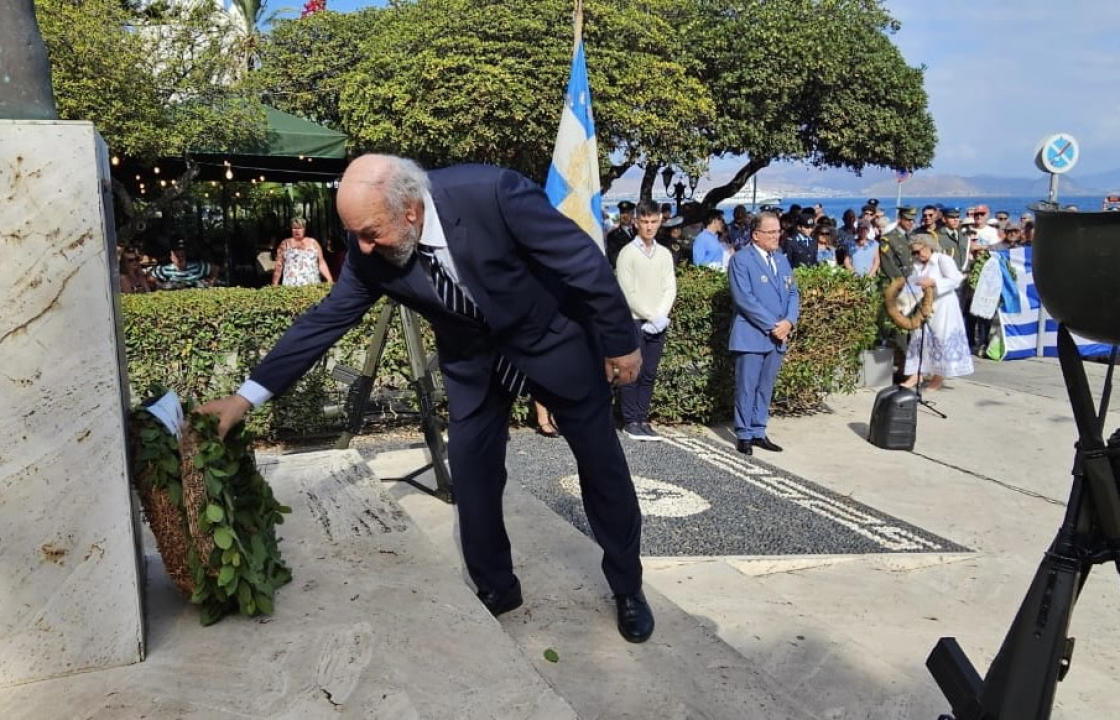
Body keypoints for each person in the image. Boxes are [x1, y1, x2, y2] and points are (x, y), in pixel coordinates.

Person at [198, 154, 655, 643]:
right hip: (473, 363)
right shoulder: (369, 249)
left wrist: (619, 341)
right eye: (358, 235)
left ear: (410, 211)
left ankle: (628, 587)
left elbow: (580, 261)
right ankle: (497, 586)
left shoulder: (493, 193)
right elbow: (325, 320)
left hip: (551, 342)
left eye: (372, 233)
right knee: (472, 471)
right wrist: (245, 398)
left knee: (601, 468)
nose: (365, 249)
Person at [728, 212, 800, 456]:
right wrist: (773, 325)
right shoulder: (741, 260)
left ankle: (759, 430)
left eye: (778, 231)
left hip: (777, 336)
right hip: (752, 335)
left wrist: (789, 321)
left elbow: (793, 292)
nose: (776, 236)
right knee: (746, 387)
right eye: (770, 232)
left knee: (765, 386)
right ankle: (744, 434)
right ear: (756, 235)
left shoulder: (781, 259)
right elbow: (744, 299)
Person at [615, 200, 677, 441]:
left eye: (653, 221)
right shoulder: (627, 253)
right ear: (637, 222)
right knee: (632, 373)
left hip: (658, 321)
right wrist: (650, 316)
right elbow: (627, 291)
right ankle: (630, 420)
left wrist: (661, 315)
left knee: (650, 372)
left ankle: (642, 417)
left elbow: (669, 286)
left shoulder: (663, 253)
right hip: (635, 321)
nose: (649, 226)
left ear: (660, 221)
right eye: (645, 222)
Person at [900, 234, 973, 390]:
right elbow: (913, 284)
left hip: (944, 305)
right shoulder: (918, 265)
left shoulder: (942, 259)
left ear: (928, 247)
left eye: (919, 251)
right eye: (914, 253)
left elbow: (956, 279)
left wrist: (934, 282)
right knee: (919, 338)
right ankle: (916, 374)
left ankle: (938, 377)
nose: (917, 255)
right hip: (924, 306)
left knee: (941, 338)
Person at [271, 218, 334, 286]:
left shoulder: (314, 243)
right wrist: (275, 283)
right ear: (291, 229)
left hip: (313, 285)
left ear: (305, 229)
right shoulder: (285, 244)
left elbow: (321, 263)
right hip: (291, 286)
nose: (297, 231)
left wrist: (329, 279)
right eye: (294, 228)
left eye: (300, 228)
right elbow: (279, 265)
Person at [150, 240, 218, 290]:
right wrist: (161, 285)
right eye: (177, 256)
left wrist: (210, 282)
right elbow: (150, 276)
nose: (180, 258)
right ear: (171, 258)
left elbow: (215, 268)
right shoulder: (165, 269)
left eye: (182, 255)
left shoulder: (197, 267)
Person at [878, 206, 916, 280]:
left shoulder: (909, 237)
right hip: (895, 282)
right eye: (908, 219)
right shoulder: (888, 239)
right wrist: (900, 280)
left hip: (909, 280)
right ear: (899, 219)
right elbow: (888, 265)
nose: (911, 222)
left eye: (912, 220)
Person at [605, 201, 636, 267]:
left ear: (633, 214)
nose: (625, 216)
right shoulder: (612, 236)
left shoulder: (639, 232)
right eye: (622, 213)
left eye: (628, 213)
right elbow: (614, 260)